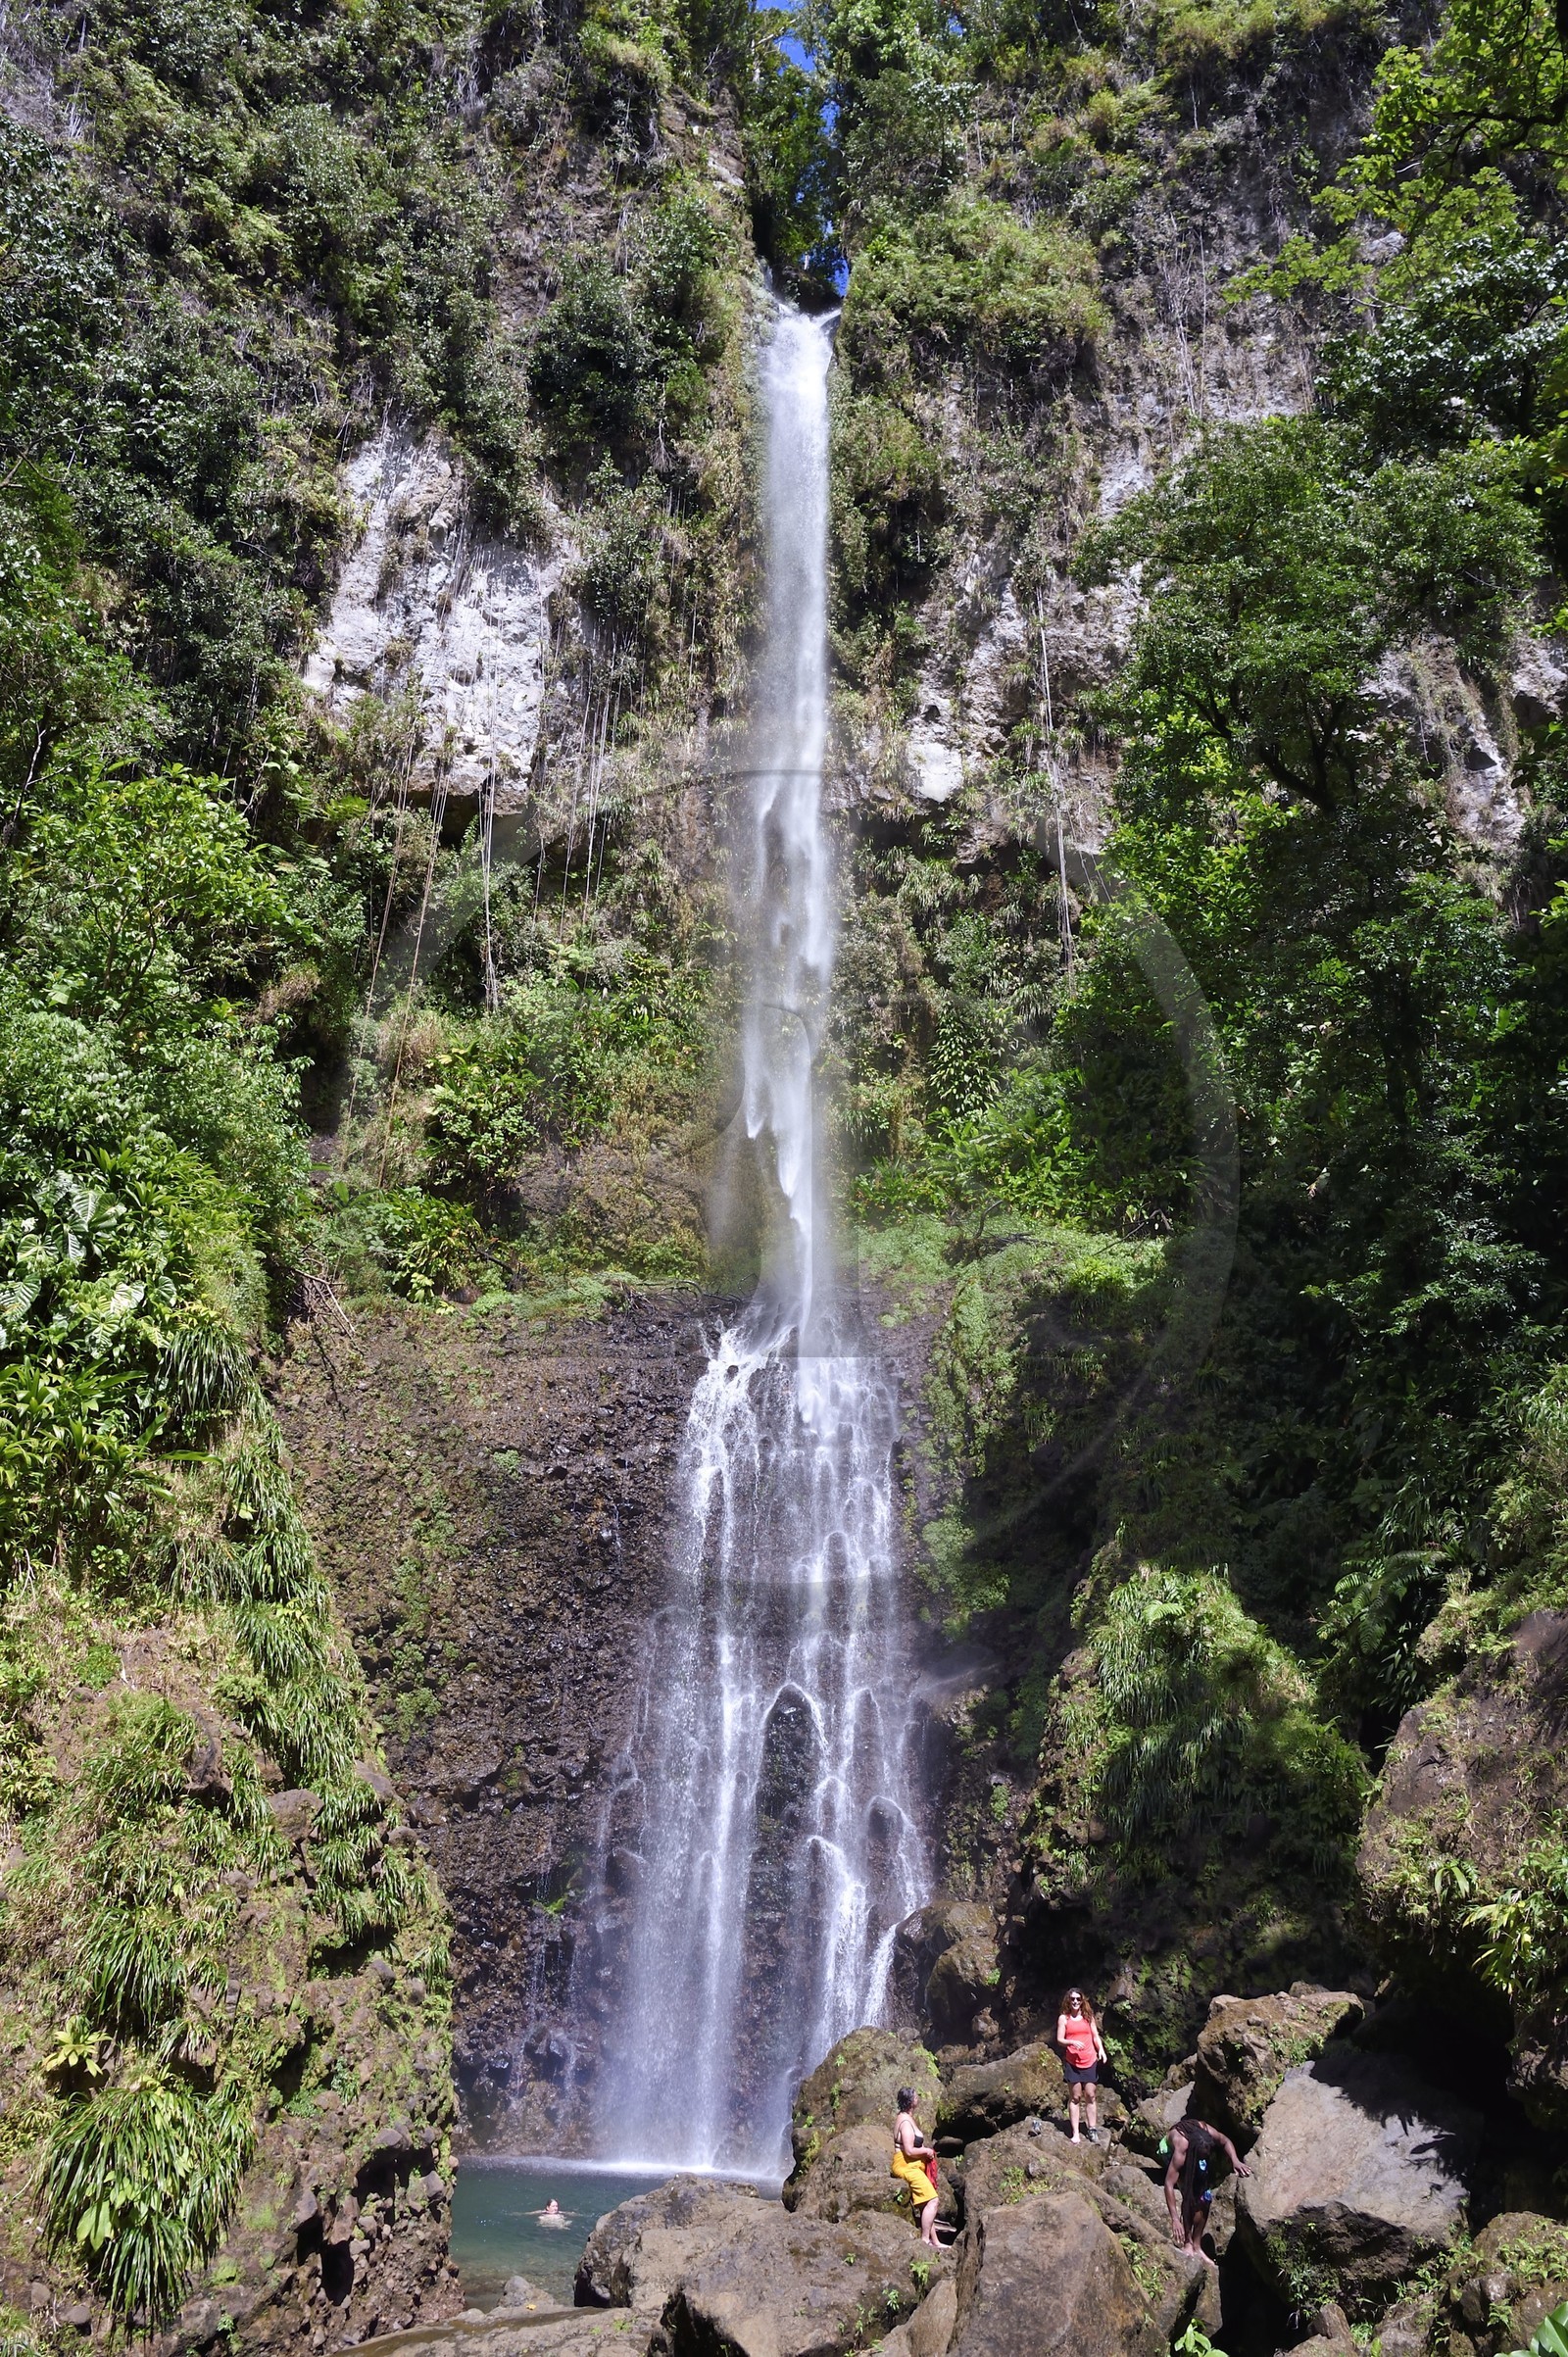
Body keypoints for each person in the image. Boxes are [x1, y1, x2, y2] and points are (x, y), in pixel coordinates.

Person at [1161, 2116, 1249, 2259]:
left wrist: (1235, 2160)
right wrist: (1175, 2219)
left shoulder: (1206, 2130)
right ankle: (1187, 2243)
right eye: (1203, 2153)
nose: (1206, 2154)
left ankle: (1197, 2245)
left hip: (1193, 2151)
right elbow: (1169, 2184)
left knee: (1205, 2196)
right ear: (1194, 2149)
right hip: (1169, 2150)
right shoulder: (1181, 2149)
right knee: (1189, 2193)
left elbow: (1225, 2141)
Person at [891, 2087, 947, 2250]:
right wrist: (926, 2151)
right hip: (906, 2166)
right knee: (933, 2201)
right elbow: (909, 2150)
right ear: (910, 2100)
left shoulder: (906, 2117)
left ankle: (935, 2241)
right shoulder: (905, 2122)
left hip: (913, 2165)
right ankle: (924, 2241)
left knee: (925, 2203)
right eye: (916, 2096)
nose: (918, 2098)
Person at [1055, 1988, 1108, 2144]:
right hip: (1073, 2063)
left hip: (1089, 2060)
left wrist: (1102, 2051)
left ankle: (1092, 2129)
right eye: (1072, 1999)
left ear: (1082, 2000)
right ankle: (1076, 2133)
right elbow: (1059, 2039)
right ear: (1068, 2000)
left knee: (1091, 2095)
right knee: (1075, 2097)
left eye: (1078, 1999)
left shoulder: (1088, 2016)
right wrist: (1071, 2042)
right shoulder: (1063, 2019)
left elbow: (1095, 2035)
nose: (1075, 2002)